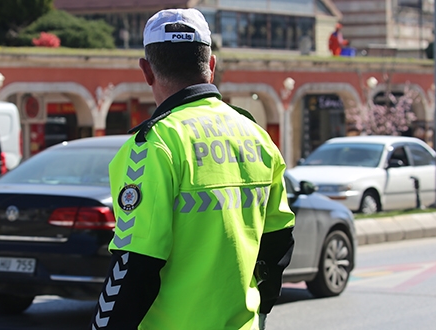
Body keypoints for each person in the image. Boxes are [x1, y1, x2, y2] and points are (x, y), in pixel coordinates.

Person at [90, 8, 295, 330]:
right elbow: (278, 239)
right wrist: (263, 308)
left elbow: (136, 263)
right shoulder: (257, 137)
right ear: (211, 66)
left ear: (146, 70)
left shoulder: (155, 145)